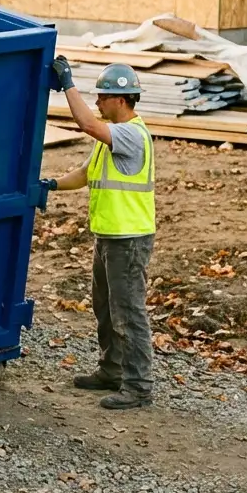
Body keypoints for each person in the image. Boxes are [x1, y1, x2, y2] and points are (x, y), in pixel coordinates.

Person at [42, 56, 156, 410]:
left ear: (121, 100)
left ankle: (138, 387)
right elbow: (84, 174)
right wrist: (49, 185)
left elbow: (87, 124)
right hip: (109, 235)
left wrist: (68, 84)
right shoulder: (112, 136)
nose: (97, 102)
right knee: (105, 307)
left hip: (129, 238)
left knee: (128, 313)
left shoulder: (131, 134)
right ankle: (112, 370)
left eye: (102, 96)